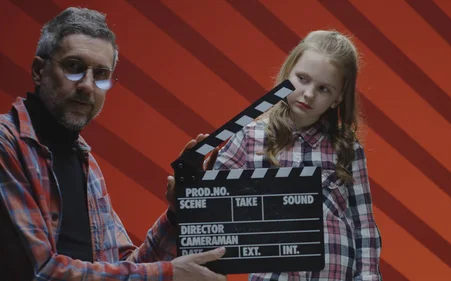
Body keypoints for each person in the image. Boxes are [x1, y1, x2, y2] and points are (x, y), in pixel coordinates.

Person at [0, 7, 226, 281]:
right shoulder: (7, 145)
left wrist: (178, 210)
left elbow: (125, 265)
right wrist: (168, 274)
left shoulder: (86, 164)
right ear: (39, 70)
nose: (87, 85)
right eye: (74, 67)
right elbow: (42, 271)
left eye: (101, 74)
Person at [212, 30, 382, 280]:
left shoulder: (348, 149)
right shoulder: (252, 137)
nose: (309, 93)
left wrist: (367, 277)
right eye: (302, 79)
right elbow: (214, 200)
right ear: (287, 74)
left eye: (324, 88)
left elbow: (363, 225)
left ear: (338, 98)